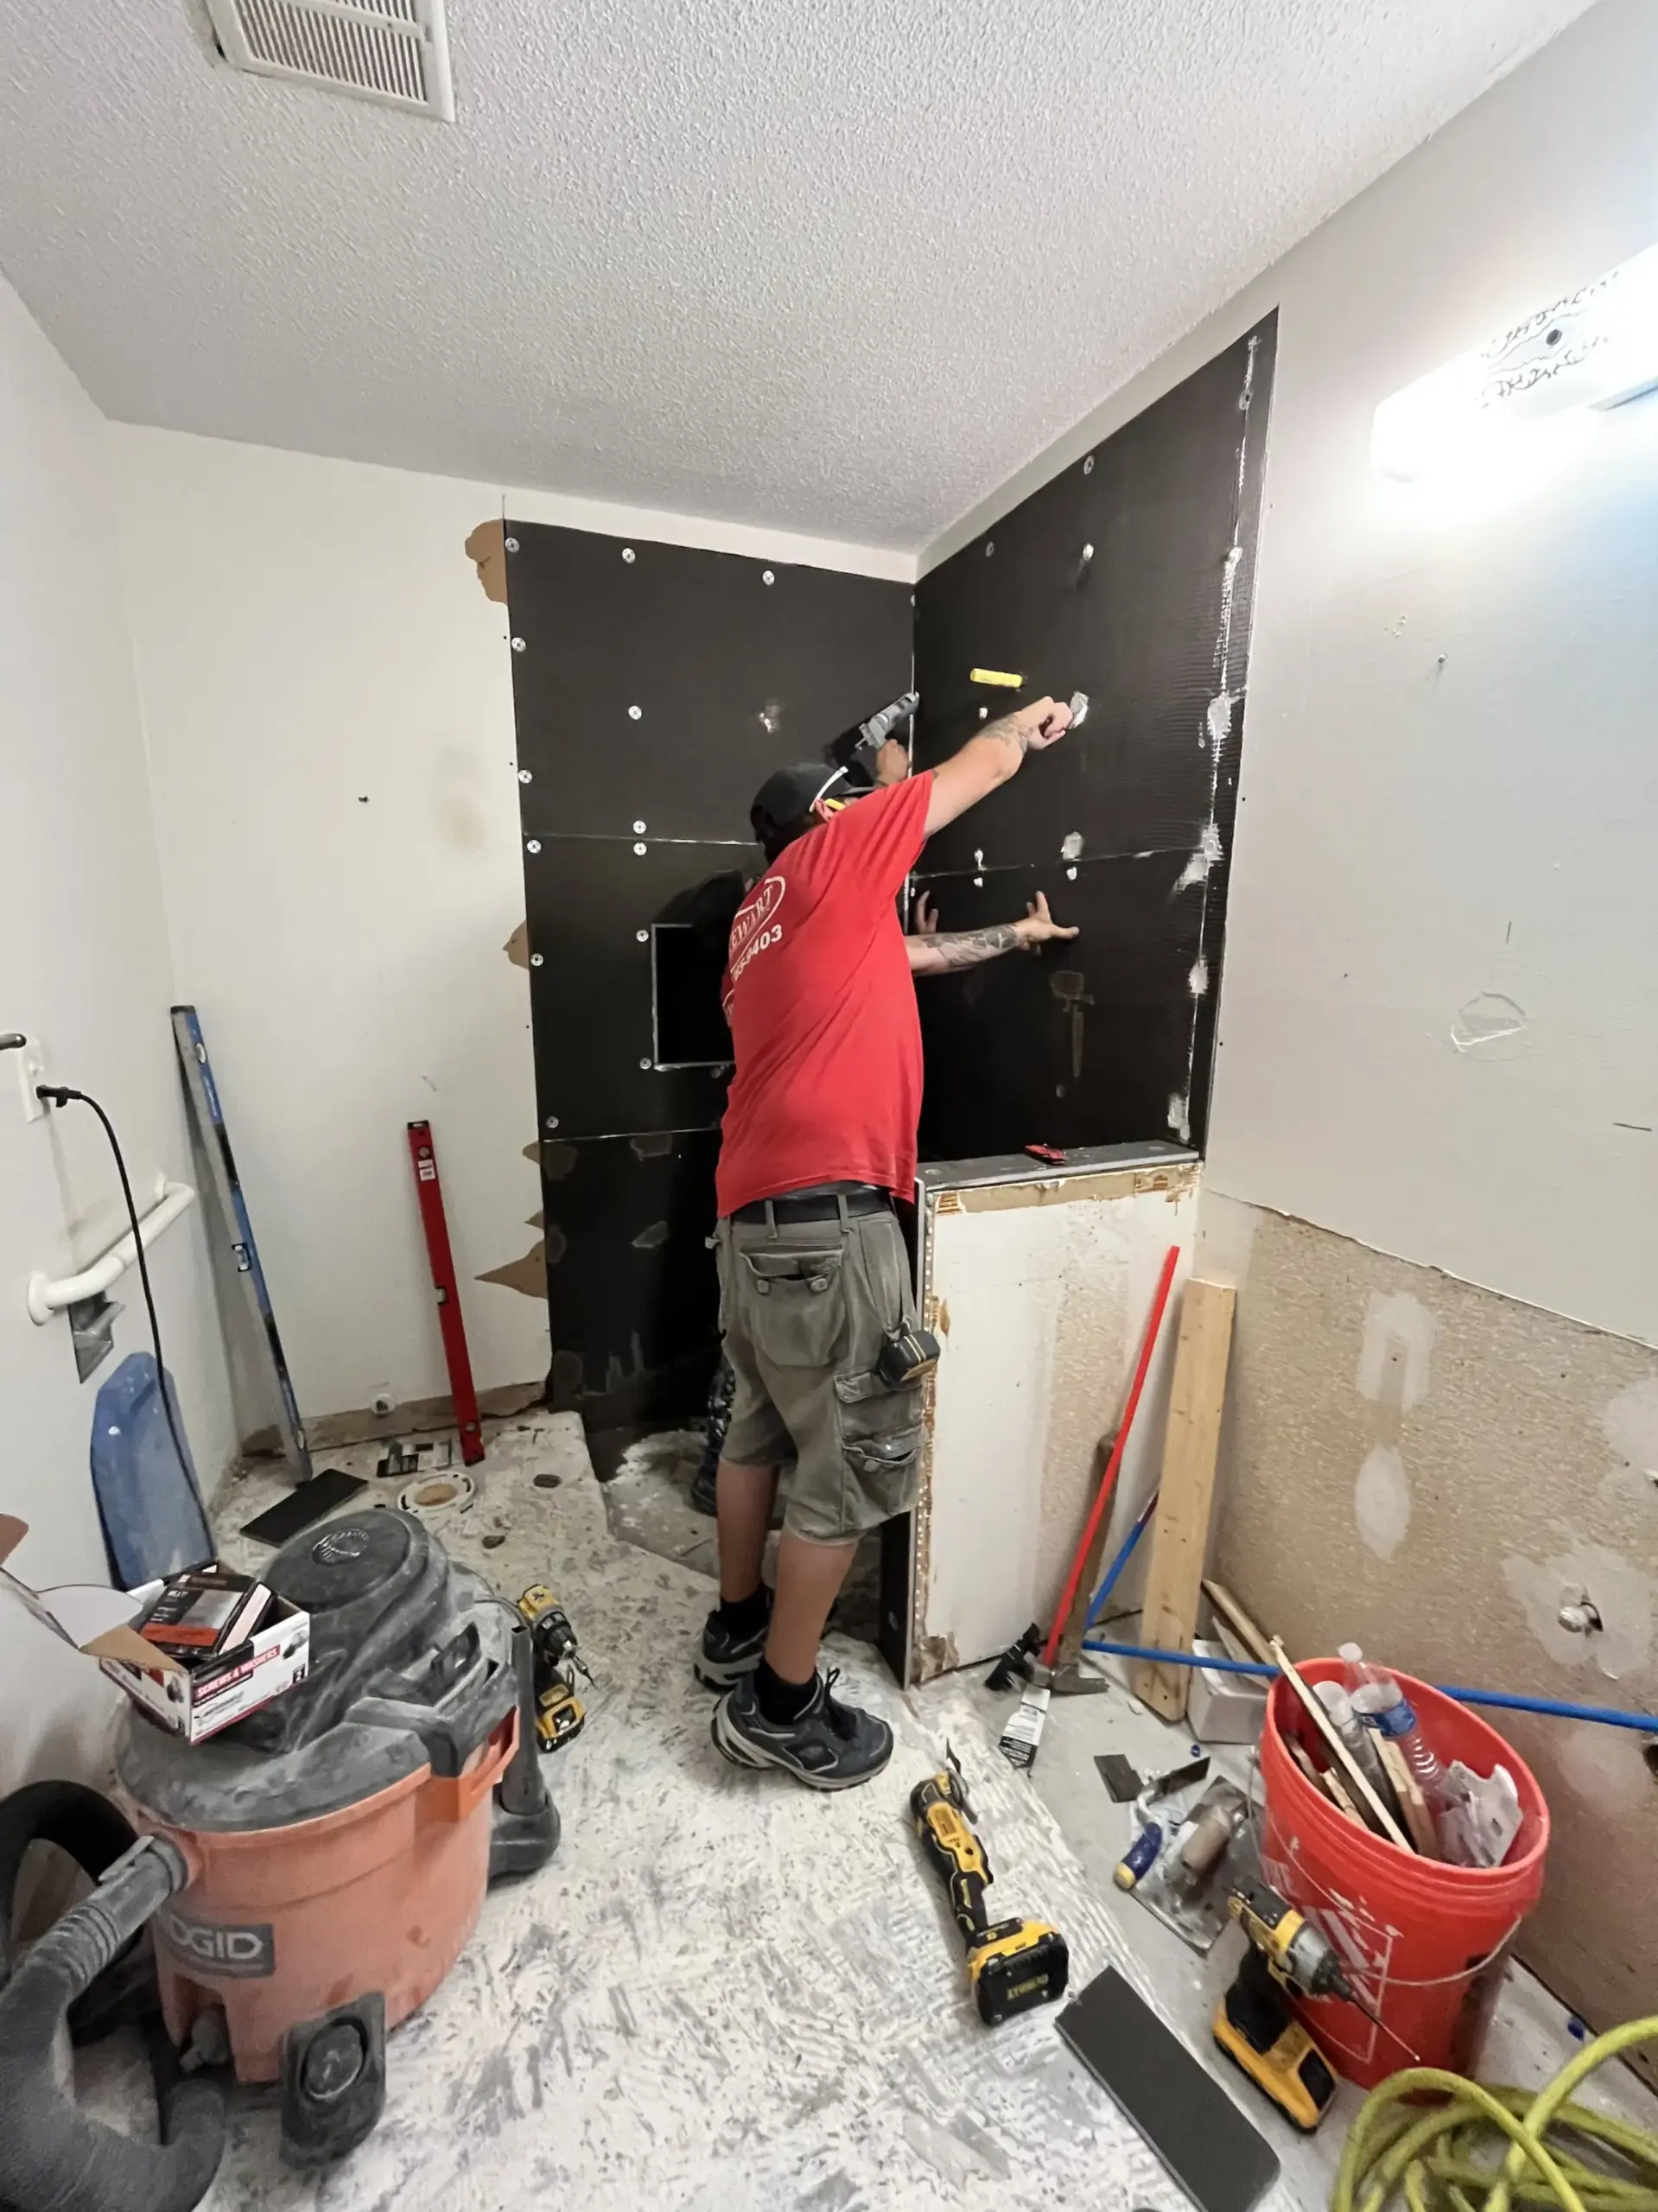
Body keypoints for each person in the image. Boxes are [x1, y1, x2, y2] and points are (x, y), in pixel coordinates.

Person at [699, 695, 1078, 1788]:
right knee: (851, 1461)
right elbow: (978, 770)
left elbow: (906, 958)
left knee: (761, 1428)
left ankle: (735, 1627)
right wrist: (1024, 723)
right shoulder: (837, 856)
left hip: (749, 1224)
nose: (873, 804)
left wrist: (1016, 936)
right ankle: (777, 1703)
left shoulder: (759, 923)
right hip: (831, 1223)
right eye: (857, 799)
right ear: (831, 817)